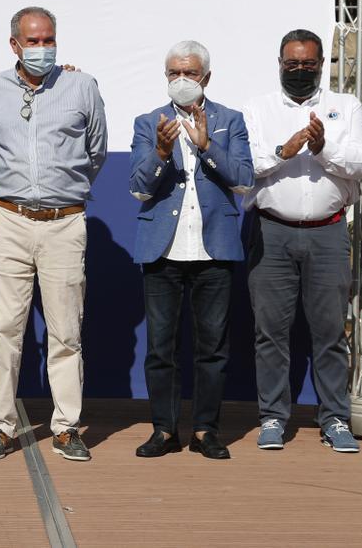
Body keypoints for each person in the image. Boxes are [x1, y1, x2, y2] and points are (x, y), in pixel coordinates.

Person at [0, 6, 107, 462]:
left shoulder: (81, 86)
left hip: (65, 221)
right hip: (8, 219)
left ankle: (67, 427)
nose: (42, 48)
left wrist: (56, 189)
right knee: (3, 330)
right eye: (32, 41)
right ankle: (0, 426)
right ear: (14, 44)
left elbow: (96, 151)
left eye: (48, 39)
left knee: (66, 331)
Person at [242, 29, 362, 454]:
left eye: (308, 64)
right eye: (292, 63)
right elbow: (248, 166)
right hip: (271, 231)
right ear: (280, 63)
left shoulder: (345, 106)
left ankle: (334, 418)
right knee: (270, 333)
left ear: (322, 64)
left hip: (329, 232)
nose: (300, 70)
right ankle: (272, 418)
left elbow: (361, 161)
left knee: (330, 332)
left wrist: (321, 148)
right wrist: (287, 148)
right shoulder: (257, 108)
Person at [129, 40, 254, 461]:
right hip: (162, 250)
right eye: (173, 74)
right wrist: (163, 153)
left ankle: (206, 430)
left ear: (206, 78)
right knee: (160, 348)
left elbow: (243, 180)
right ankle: (164, 430)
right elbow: (138, 187)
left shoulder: (229, 120)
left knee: (212, 348)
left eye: (189, 74)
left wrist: (206, 146)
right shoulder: (149, 122)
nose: (181, 81)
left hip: (213, 249)